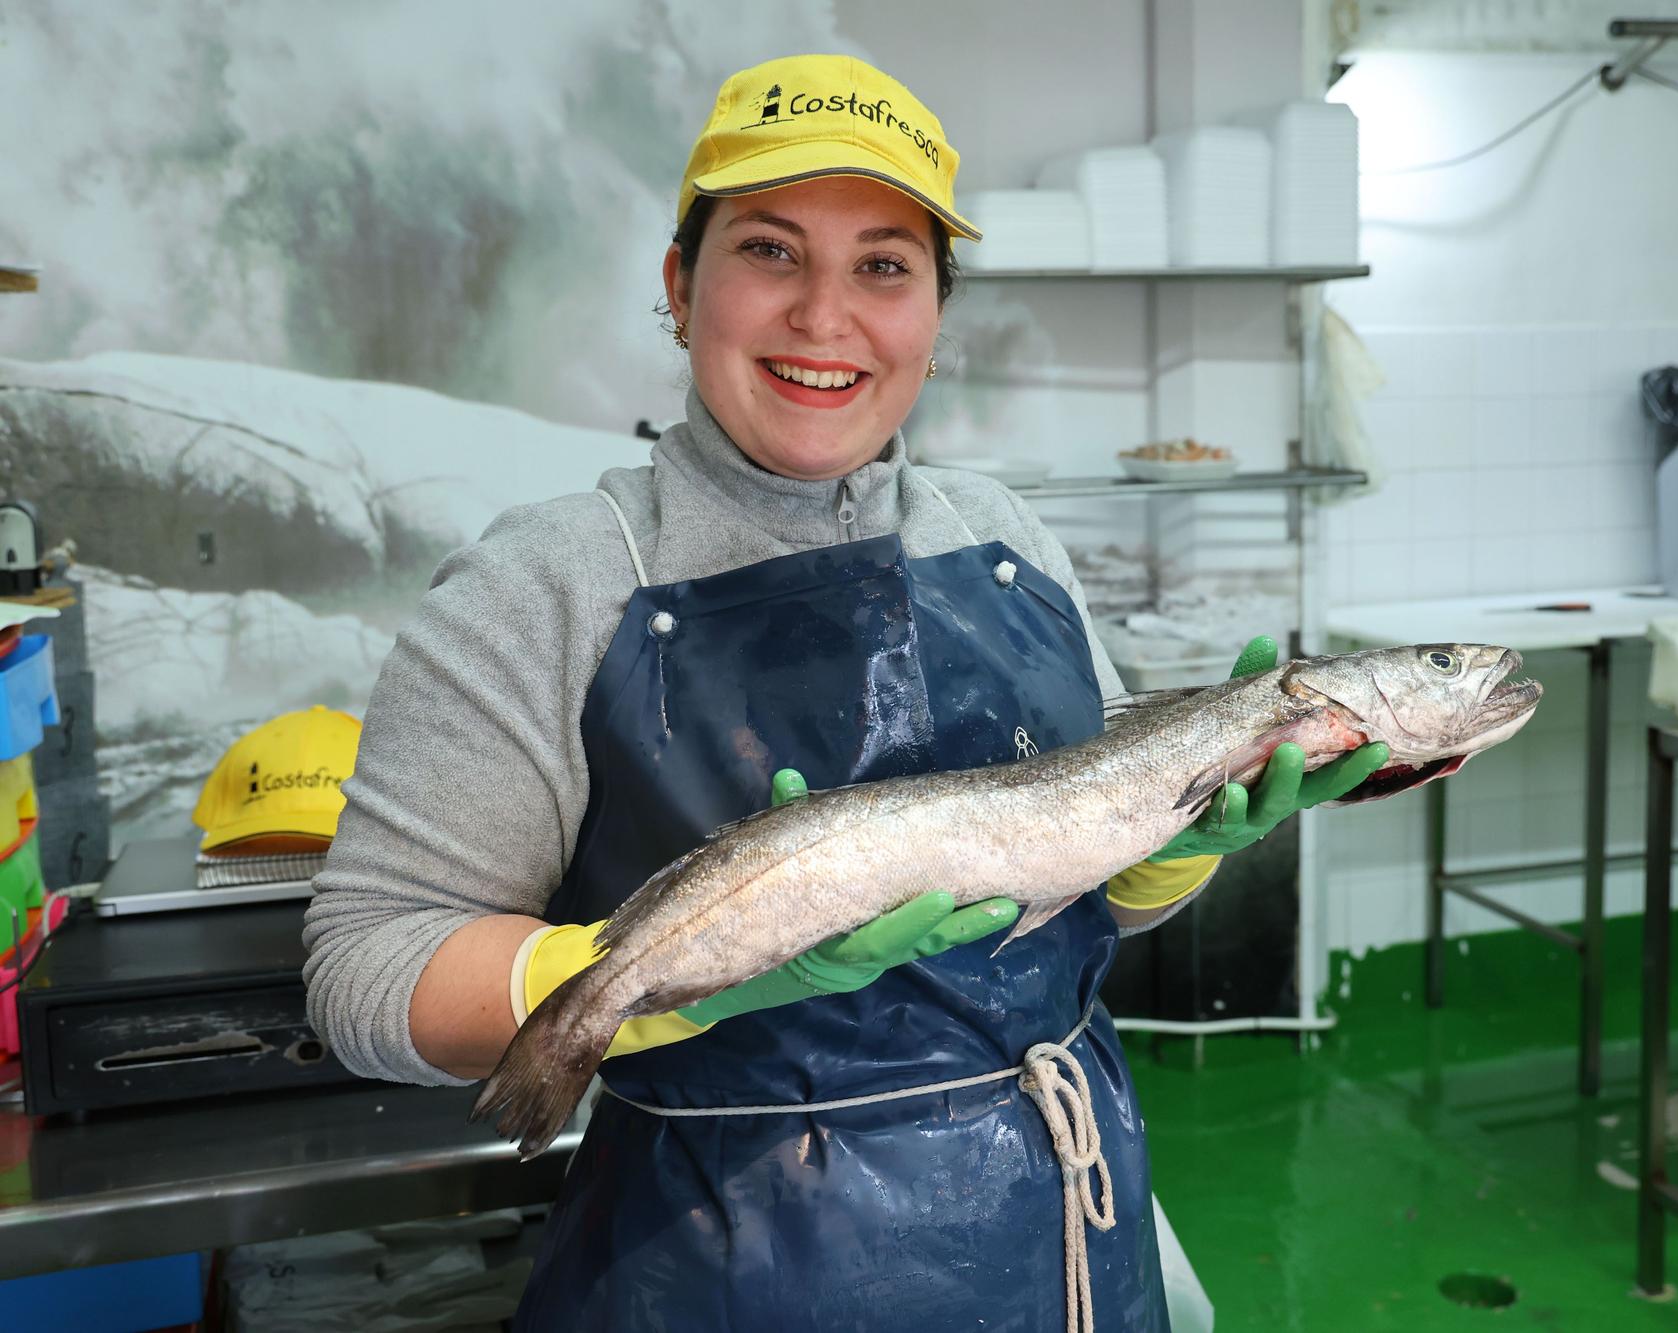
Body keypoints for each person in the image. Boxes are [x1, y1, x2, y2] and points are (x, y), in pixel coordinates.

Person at [304, 53, 1387, 1332]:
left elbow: (1074, 892)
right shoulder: (547, 581)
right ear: (678, 283)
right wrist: (665, 978)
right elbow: (363, 972)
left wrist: (1171, 853)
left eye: (884, 264)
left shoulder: (1006, 540)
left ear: (935, 306)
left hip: (1064, 1232)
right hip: (722, 1261)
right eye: (769, 250)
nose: (826, 317)